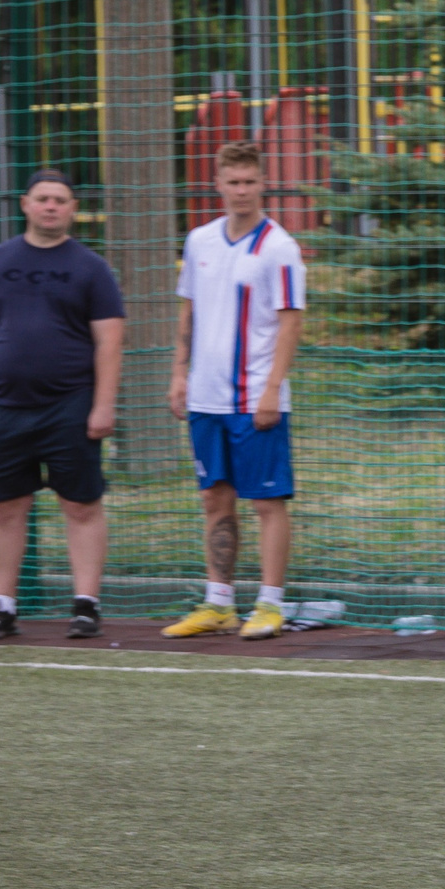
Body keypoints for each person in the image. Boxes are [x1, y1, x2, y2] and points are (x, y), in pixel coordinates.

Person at [0, 169, 126, 642]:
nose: (51, 206)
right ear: (25, 204)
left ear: (73, 210)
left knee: (81, 505)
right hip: (3, 408)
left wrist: (103, 405)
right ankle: (1, 607)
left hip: (71, 408)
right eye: (43, 198)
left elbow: (109, 342)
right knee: (5, 507)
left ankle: (86, 605)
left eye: (61, 200)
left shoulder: (91, 268)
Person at [163, 141, 308, 641]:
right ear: (218, 184)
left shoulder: (280, 247)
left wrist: (273, 389)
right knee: (213, 499)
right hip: (206, 398)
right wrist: (179, 373)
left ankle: (270, 603)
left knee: (267, 503)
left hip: (254, 400)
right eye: (233, 182)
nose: (242, 191)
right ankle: (219, 602)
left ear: (263, 183)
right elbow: (189, 311)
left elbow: (291, 323)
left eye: (250, 181)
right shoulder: (199, 241)